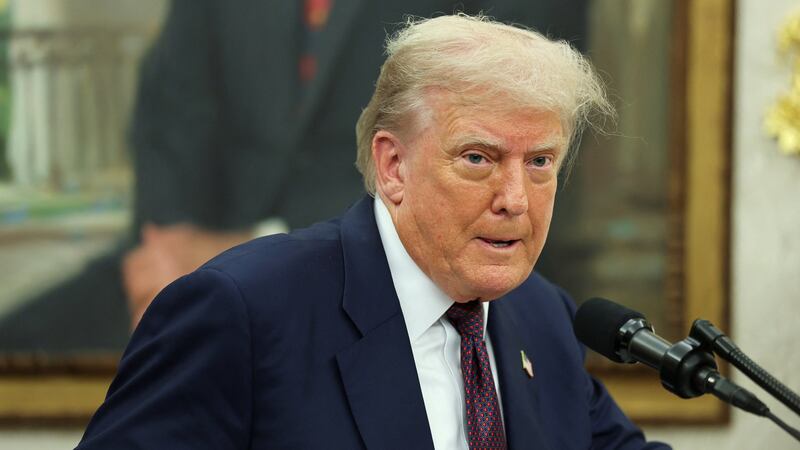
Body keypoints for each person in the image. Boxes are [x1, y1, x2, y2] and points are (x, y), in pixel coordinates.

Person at [76, 15, 669, 449]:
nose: (515, 199)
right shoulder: (243, 310)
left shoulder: (542, 316)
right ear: (393, 167)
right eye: (478, 159)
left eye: (540, 163)